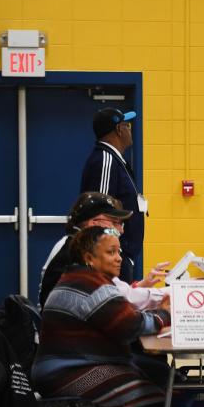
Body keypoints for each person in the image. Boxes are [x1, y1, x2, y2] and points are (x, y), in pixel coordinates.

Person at [32, 226, 171, 407]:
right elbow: (129, 326)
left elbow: (123, 317)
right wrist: (166, 315)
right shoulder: (91, 286)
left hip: (68, 365)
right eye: (110, 252)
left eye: (118, 251)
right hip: (67, 372)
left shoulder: (83, 279)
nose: (119, 258)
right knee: (150, 400)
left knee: (151, 376)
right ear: (89, 257)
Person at [39, 192, 168, 309]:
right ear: (94, 224)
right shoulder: (81, 252)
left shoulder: (68, 243)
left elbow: (115, 293)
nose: (121, 230)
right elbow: (122, 298)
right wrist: (170, 294)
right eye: (114, 222)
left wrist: (141, 286)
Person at [81, 107, 145, 282]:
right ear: (118, 129)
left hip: (119, 253)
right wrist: (110, 251)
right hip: (111, 255)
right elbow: (98, 212)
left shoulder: (114, 160)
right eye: (127, 125)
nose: (130, 130)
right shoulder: (105, 160)